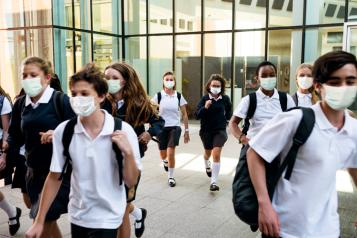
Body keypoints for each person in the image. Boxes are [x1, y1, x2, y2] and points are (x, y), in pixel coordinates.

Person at [247, 51, 357, 238]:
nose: (343, 87)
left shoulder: (353, 129)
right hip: (285, 229)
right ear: (318, 86)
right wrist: (264, 204)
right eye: (335, 82)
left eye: (350, 81)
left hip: (328, 230)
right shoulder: (295, 119)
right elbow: (254, 153)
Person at [25, 63, 141, 238]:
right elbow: (54, 177)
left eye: (85, 94)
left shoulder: (122, 130)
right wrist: (39, 220)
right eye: (74, 94)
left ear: (101, 96)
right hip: (78, 215)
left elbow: (131, 180)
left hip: (107, 217)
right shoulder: (64, 131)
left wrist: (129, 153)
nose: (78, 98)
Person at [6, 56, 75, 238]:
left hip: (57, 171)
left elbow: (76, 130)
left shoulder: (61, 100)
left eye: (33, 75)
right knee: (42, 218)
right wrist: (5, 152)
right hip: (33, 170)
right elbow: (14, 134)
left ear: (47, 77)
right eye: (24, 75)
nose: (28, 79)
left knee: (44, 219)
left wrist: (57, 133)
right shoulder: (21, 103)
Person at [102, 62, 164, 238]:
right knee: (113, 204)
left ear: (126, 81)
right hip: (104, 160)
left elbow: (159, 122)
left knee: (121, 209)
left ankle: (132, 215)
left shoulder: (138, 102)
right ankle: (137, 213)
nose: (110, 81)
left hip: (129, 162)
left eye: (115, 78)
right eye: (107, 78)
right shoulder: (100, 101)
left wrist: (149, 133)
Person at [229, 61, 295, 146]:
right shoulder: (249, 100)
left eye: (272, 75)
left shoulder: (286, 99)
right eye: (264, 76)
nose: (268, 78)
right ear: (257, 79)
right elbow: (233, 123)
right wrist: (244, 139)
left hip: (278, 148)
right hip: (254, 146)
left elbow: (294, 122)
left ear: (276, 77)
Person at [151, 71, 190, 187]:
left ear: (174, 82)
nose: (169, 81)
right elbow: (151, 111)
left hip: (175, 127)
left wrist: (187, 131)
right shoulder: (158, 95)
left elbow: (184, 114)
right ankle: (164, 161)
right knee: (163, 154)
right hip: (161, 127)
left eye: (171, 79)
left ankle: (171, 177)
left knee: (171, 152)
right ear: (163, 81)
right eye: (166, 79)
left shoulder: (178, 96)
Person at [195, 74, 232, 191]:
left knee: (216, 153)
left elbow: (230, 111)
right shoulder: (204, 99)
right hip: (206, 131)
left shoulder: (225, 99)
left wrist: (226, 120)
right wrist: (205, 107)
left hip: (220, 130)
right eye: (214, 85)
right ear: (209, 86)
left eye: (218, 86)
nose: (216, 87)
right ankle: (206, 163)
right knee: (208, 153)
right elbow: (196, 115)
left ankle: (214, 182)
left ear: (221, 87)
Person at [0, 86, 21, 236]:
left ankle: (12, 211)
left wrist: (3, 154)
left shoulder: (2, 101)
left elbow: (7, 130)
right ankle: (12, 211)